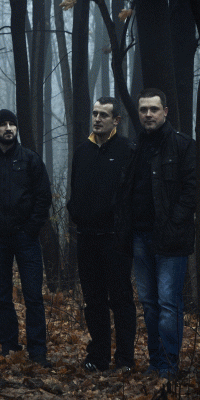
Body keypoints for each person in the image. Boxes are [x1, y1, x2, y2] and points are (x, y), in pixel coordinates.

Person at [116, 88, 196, 379]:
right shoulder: (135, 148)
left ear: (165, 112)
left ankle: (169, 366)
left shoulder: (183, 145)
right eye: (143, 110)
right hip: (139, 236)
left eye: (153, 109)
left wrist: (174, 223)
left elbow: (192, 190)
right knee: (149, 305)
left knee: (167, 304)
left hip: (170, 239)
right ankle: (156, 362)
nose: (148, 114)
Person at [0, 109, 52, 368]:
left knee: (33, 296)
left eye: (12, 124)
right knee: (3, 297)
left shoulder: (30, 159)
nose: (8, 128)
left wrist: (31, 229)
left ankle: (38, 352)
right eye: (3, 124)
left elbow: (43, 197)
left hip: (26, 239)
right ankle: (9, 348)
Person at [67, 97, 136, 373]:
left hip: (115, 239)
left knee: (121, 300)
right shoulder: (82, 151)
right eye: (95, 113)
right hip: (86, 237)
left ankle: (125, 360)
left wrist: (123, 229)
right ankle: (98, 357)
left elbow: (131, 196)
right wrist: (75, 212)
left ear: (116, 120)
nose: (97, 119)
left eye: (103, 115)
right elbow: (75, 188)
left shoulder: (127, 150)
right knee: (93, 301)